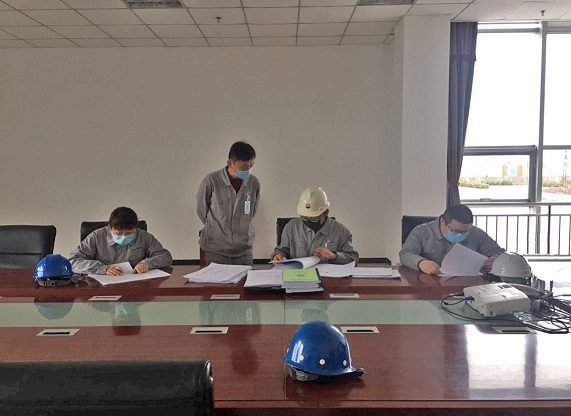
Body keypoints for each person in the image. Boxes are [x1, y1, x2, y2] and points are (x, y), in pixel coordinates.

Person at [197, 141, 260, 266]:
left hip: (244, 249)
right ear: (230, 163)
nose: (248, 170)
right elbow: (202, 211)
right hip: (216, 249)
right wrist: (216, 228)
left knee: (245, 278)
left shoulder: (253, 183)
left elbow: (253, 211)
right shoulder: (211, 181)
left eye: (251, 166)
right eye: (244, 167)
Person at [399, 204, 505, 274]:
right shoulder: (422, 231)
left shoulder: (476, 233)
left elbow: (499, 252)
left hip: (466, 284)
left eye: (465, 232)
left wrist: (495, 261)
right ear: (442, 222)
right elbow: (405, 253)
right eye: (455, 231)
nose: (460, 235)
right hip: (429, 284)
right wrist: (420, 263)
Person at [69, 206, 172, 276]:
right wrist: (103, 269)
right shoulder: (97, 236)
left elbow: (165, 256)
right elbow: (73, 261)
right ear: (110, 227)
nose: (123, 237)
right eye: (118, 233)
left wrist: (147, 263)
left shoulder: (143, 236)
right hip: (101, 285)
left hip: (134, 283)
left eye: (129, 233)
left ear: (136, 228)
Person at [271, 187, 358, 265]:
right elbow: (283, 250)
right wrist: (278, 255)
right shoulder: (291, 227)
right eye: (305, 217)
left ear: (326, 212)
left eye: (314, 217)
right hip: (298, 274)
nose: (309, 220)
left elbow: (353, 259)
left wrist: (334, 256)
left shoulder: (340, 231)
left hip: (327, 276)